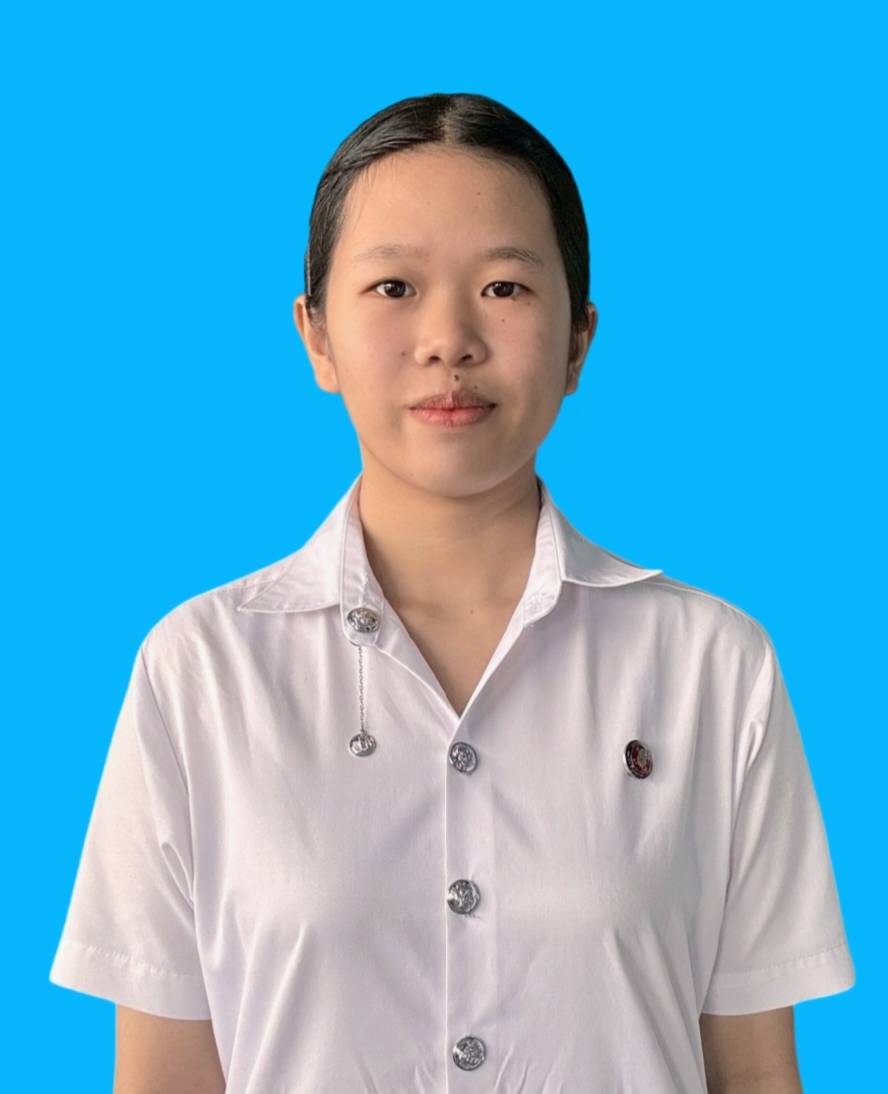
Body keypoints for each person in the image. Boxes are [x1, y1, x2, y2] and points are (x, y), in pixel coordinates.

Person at [48, 92, 855, 1093]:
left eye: (505, 287)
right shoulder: (201, 670)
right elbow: (162, 1079)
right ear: (316, 335)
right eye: (393, 285)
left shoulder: (713, 666)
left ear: (578, 339)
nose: (449, 339)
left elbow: (757, 1073)